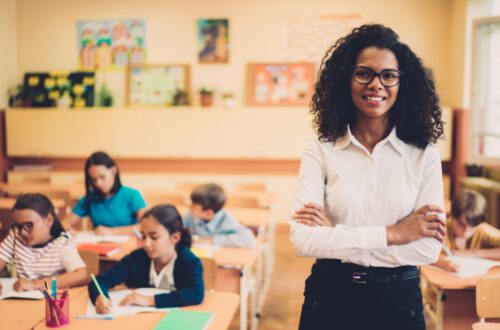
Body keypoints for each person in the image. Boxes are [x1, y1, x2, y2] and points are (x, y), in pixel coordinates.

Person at [289, 24, 446, 330]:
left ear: (403, 83)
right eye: (364, 73)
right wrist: (394, 233)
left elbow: (427, 249)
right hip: (329, 297)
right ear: (346, 79)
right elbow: (303, 240)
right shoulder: (321, 151)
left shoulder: (423, 155)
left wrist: (335, 235)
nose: (376, 84)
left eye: (388, 75)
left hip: (398, 301)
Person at [88, 204, 204, 312]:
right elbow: (99, 281)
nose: (146, 243)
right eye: (143, 236)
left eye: (154, 237)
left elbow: (195, 294)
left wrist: (149, 300)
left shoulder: (189, 262)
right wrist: (100, 297)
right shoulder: (137, 258)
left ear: (175, 237)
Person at [0, 194, 89, 293]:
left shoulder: (63, 241)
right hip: (22, 301)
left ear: (49, 220)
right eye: (19, 226)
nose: (22, 232)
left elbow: (82, 275)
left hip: (53, 301)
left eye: (28, 225)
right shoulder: (16, 236)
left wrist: (36, 284)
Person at [63, 151, 146, 236]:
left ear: (113, 171)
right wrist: (69, 232)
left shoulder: (132, 195)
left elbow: (145, 226)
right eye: (94, 179)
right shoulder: (90, 198)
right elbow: (64, 223)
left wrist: (112, 231)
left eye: (102, 177)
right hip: (99, 246)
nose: (98, 183)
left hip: (128, 245)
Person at [434, 189, 500, 272]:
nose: (466, 231)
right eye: (461, 224)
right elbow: (424, 254)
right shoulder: (439, 229)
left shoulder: (482, 229)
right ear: (452, 216)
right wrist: (443, 263)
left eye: (473, 226)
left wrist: (474, 253)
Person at [183, 183, 256, 248]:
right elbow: (178, 230)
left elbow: (249, 240)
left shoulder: (227, 220)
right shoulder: (190, 215)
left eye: (193, 205)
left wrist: (212, 240)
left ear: (209, 213)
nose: (189, 206)